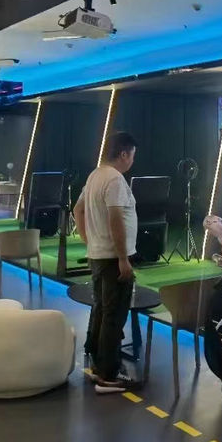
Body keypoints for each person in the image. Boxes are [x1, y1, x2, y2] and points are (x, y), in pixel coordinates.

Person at [73, 131, 140, 394]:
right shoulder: (114, 179)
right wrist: (123, 258)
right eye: (132, 156)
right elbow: (116, 218)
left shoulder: (95, 176)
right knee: (113, 315)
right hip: (112, 258)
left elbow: (77, 209)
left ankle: (99, 366)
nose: (132, 161)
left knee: (102, 310)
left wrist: (89, 240)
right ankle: (108, 376)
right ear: (124, 154)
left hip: (98, 255)